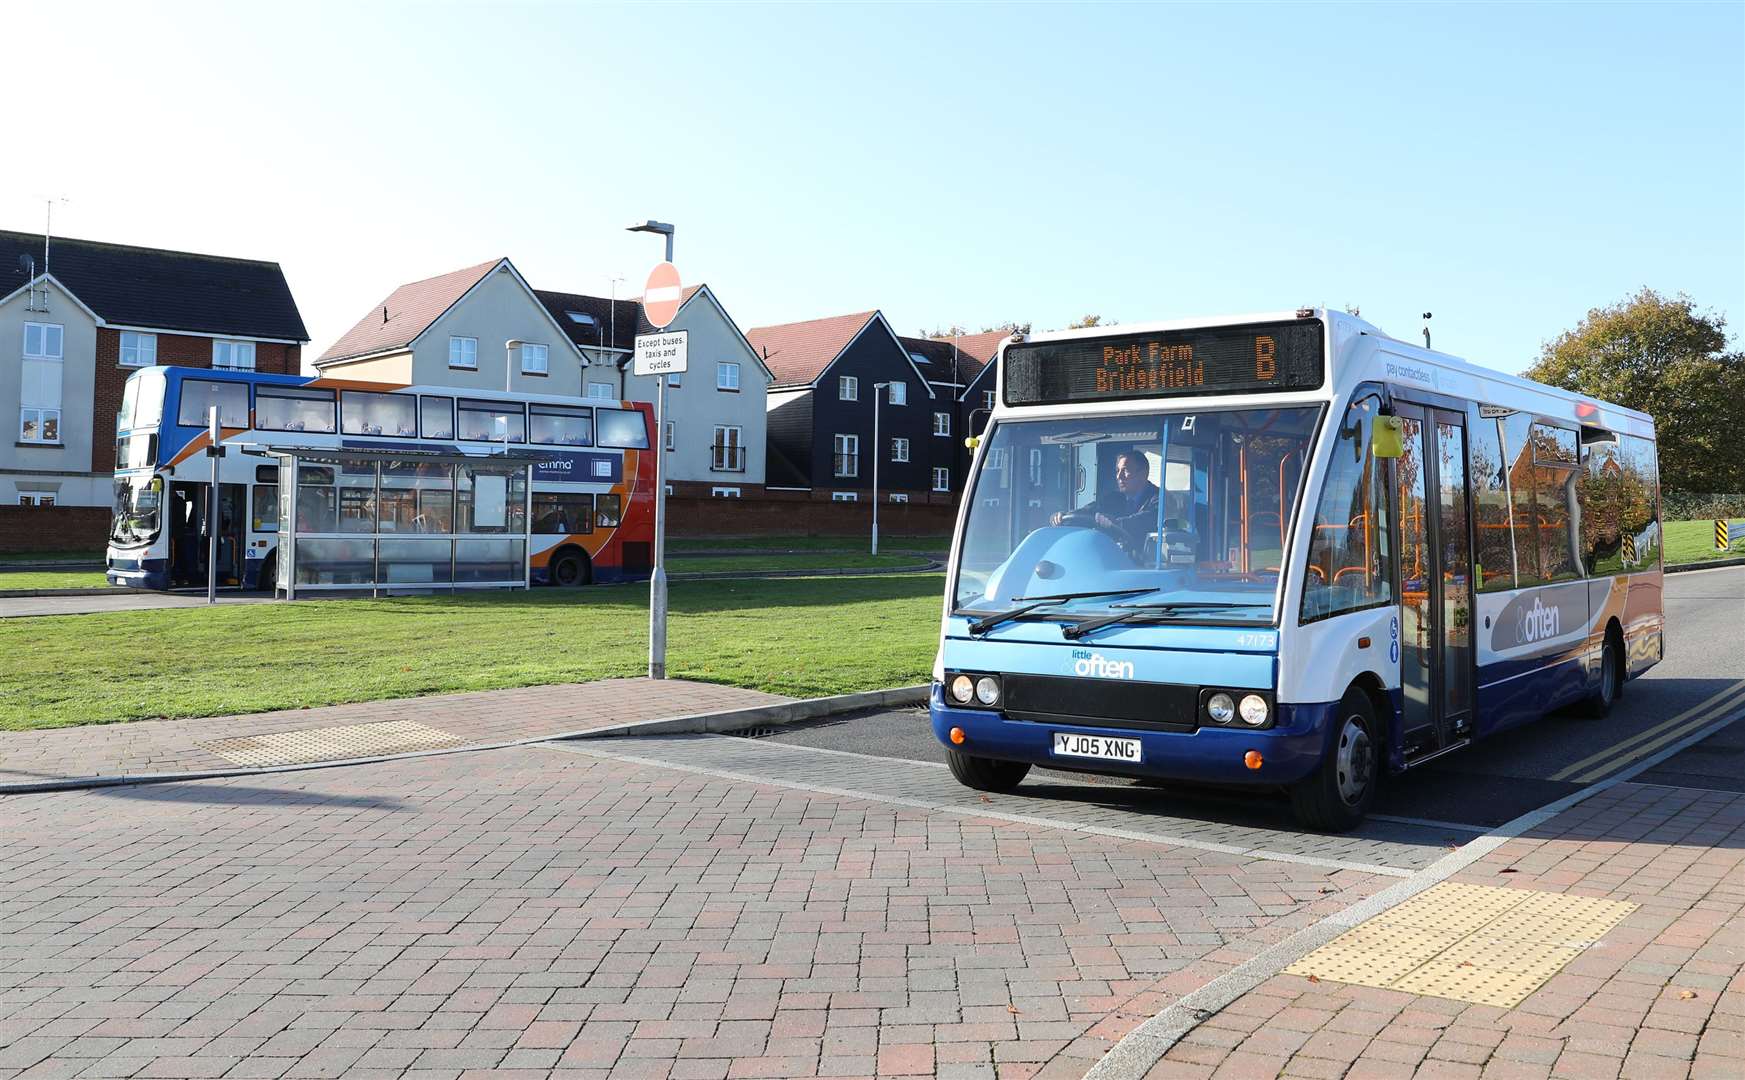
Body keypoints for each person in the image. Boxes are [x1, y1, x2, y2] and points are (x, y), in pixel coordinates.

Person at [1051, 450, 1159, 554]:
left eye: (1125, 471)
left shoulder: (1160, 499)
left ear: (1143, 474)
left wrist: (1115, 523)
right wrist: (1063, 517)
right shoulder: (1113, 498)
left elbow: (1148, 520)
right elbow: (1089, 511)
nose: (1119, 476)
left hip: (1145, 565)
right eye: (1117, 471)